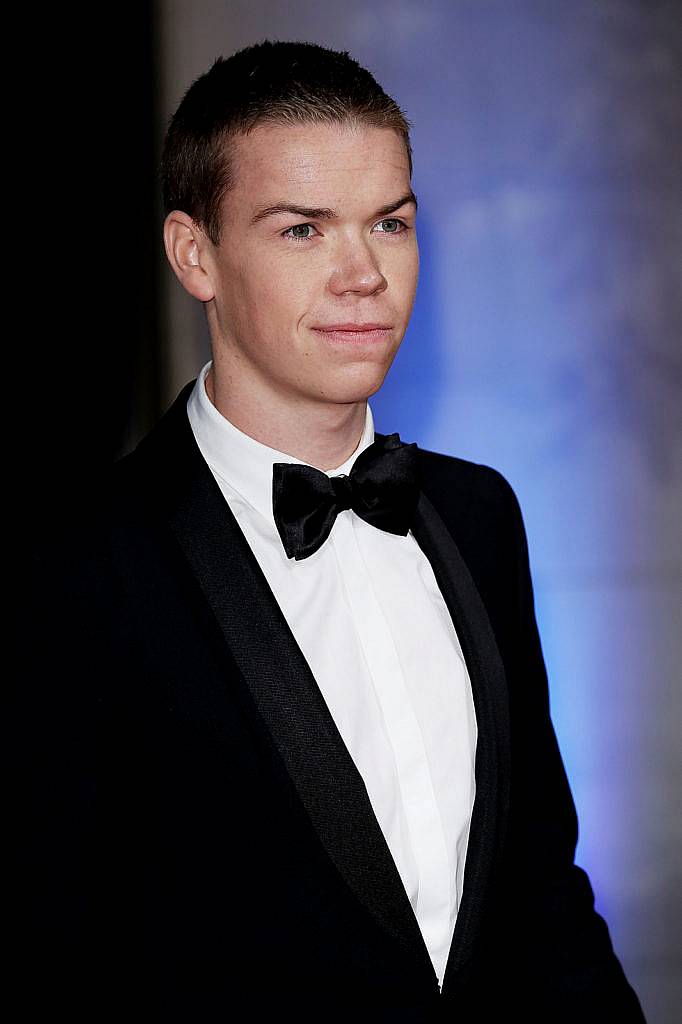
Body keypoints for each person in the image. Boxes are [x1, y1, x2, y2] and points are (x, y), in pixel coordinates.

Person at [22, 40, 645, 1022]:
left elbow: (539, 888)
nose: (363, 272)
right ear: (196, 254)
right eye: (303, 229)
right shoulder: (77, 569)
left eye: (389, 222)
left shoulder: (479, 513)